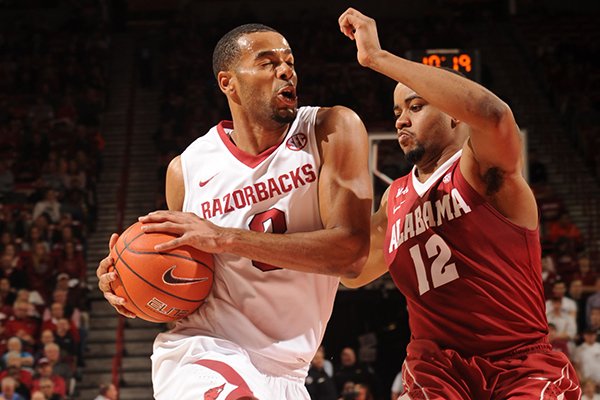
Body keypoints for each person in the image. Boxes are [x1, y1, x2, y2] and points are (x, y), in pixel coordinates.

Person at [96, 23, 372, 400]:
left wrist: (225, 238)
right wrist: (133, 290)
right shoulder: (188, 168)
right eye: (267, 62)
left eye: (289, 62)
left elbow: (352, 256)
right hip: (205, 351)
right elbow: (185, 279)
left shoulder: (330, 129)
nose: (286, 70)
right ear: (229, 83)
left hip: (289, 373)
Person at [337, 7, 580, 399]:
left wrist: (378, 59)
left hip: (518, 363)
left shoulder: (480, 168)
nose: (401, 121)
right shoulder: (395, 196)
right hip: (438, 371)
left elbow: (495, 115)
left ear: (453, 116)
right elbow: (351, 269)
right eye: (397, 112)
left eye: (415, 107)